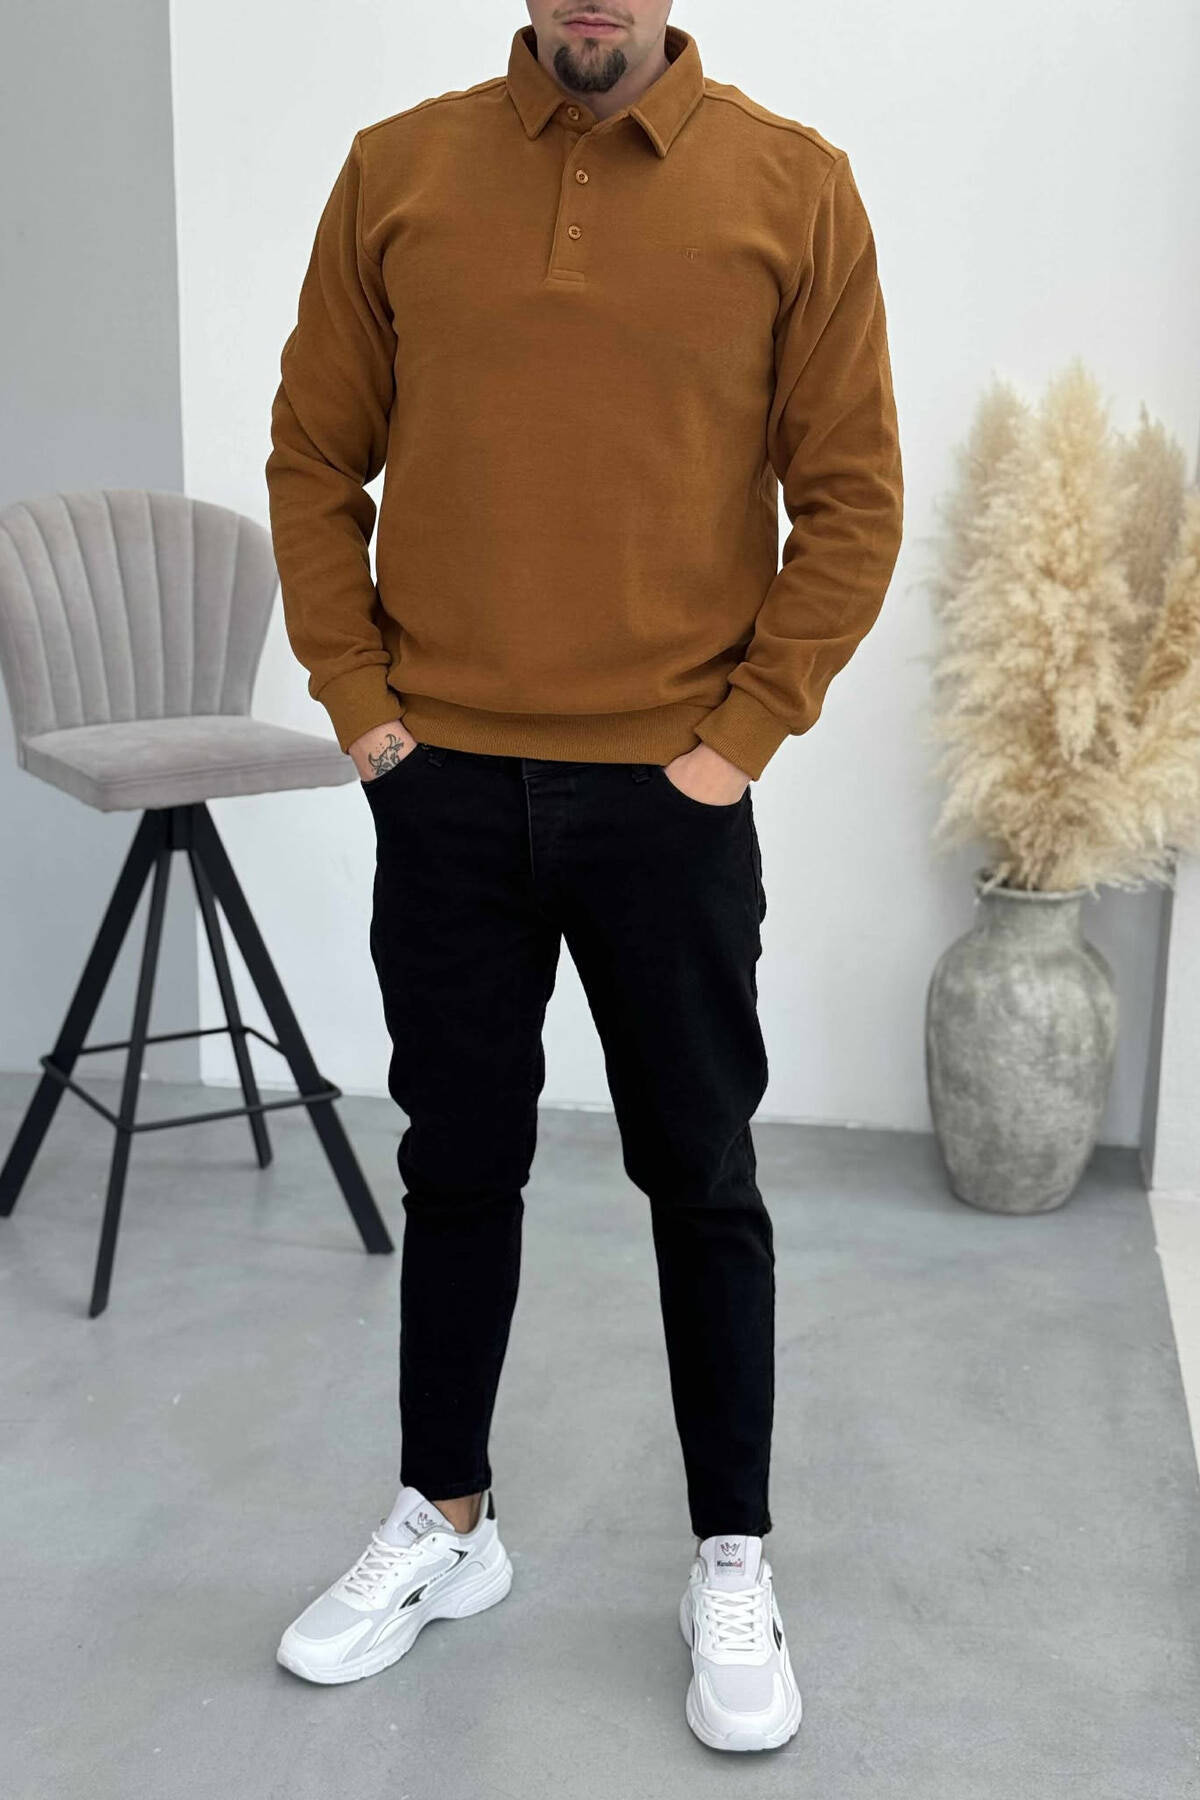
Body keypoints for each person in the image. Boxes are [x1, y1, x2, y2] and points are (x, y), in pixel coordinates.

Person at [264, 1, 902, 1754]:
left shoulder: (795, 186)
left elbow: (851, 498)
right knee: (458, 1163)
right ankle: (446, 1521)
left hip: (669, 793)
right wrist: (366, 710)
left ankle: (732, 1556)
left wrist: (739, 741)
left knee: (701, 1174)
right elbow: (314, 456)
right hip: (444, 784)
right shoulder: (399, 170)